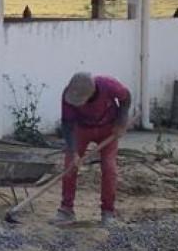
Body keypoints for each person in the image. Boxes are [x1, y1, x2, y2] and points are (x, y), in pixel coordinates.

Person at [53, 72, 131, 226]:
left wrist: (121, 122)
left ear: (91, 93)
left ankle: (108, 212)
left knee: (109, 168)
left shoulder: (109, 85)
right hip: (81, 130)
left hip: (108, 128)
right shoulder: (68, 94)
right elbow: (67, 125)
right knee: (70, 165)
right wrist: (73, 152)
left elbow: (126, 98)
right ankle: (66, 210)